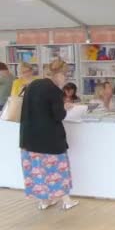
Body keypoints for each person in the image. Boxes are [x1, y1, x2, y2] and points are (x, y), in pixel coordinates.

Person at [19, 59, 79, 210]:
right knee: (57, 170)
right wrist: (65, 107)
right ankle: (66, 201)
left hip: (29, 138)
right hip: (49, 140)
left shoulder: (32, 85)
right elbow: (58, 115)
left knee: (38, 171)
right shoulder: (54, 90)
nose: (65, 79)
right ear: (59, 74)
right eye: (66, 75)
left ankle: (45, 201)